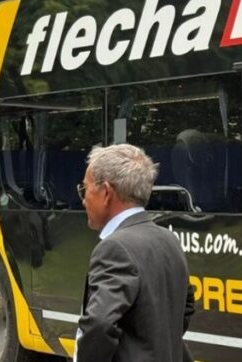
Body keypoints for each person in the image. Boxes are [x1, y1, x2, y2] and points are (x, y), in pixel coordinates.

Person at [75, 144, 194, 362]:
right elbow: (185, 309)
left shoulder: (114, 248)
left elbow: (100, 324)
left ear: (106, 192)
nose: (83, 199)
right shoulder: (169, 240)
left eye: (85, 189)